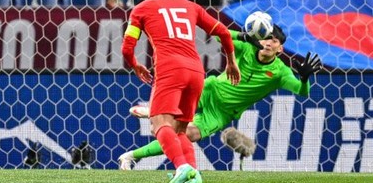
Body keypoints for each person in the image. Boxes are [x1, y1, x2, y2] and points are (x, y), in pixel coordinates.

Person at [119, 24, 322, 170]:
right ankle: (157, 112)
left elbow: (303, 92)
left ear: (280, 49)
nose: (269, 43)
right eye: (267, 38)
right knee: (173, 114)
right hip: (210, 90)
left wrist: (304, 79)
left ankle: (129, 156)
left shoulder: (280, 73)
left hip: (222, 113)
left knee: (188, 135)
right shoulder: (247, 48)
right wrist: (242, 36)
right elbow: (218, 35)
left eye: (274, 41)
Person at [121, 0, 240, 183]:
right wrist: (231, 62)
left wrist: (136, 65)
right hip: (196, 71)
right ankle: (193, 175)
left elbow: (127, 48)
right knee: (179, 130)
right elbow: (224, 32)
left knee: (160, 124)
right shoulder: (191, 6)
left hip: (169, 69)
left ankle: (182, 166)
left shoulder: (141, 9)